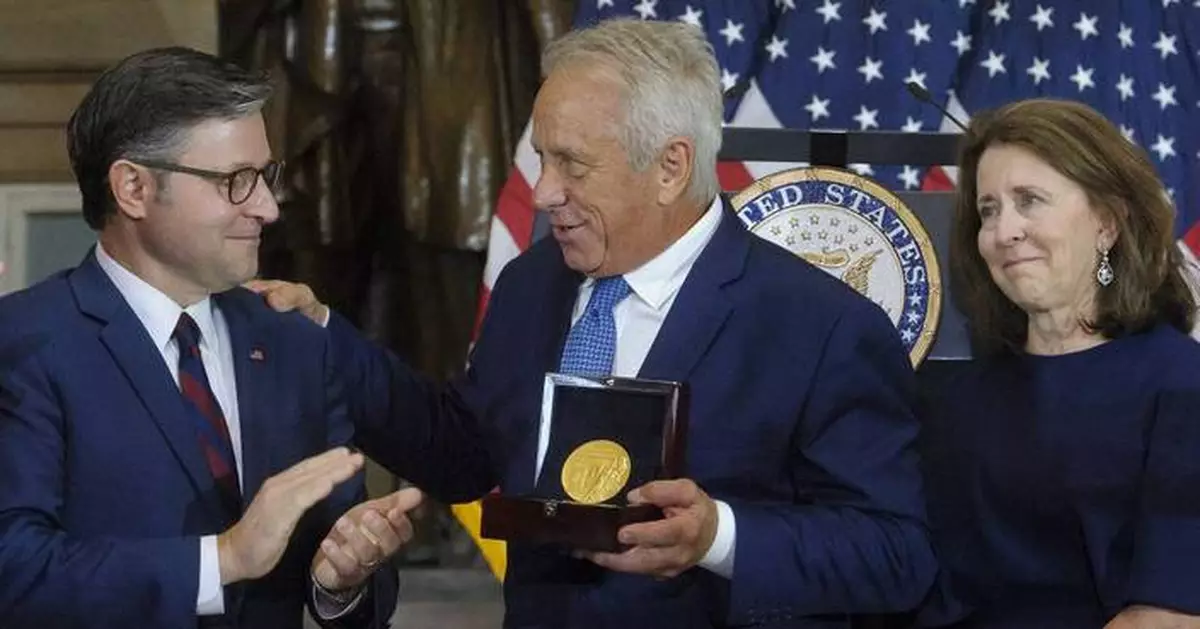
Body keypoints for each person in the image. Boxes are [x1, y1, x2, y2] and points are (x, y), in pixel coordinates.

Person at [255, 18, 937, 628]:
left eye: (571, 163)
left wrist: (718, 537)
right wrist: (325, 339)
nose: (545, 191)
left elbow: (896, 553)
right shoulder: (533, 284)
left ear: (671, 166)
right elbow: (466, 453)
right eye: (542, 159)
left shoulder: (821, 325)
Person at [0, 48, 419, 629]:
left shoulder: (295, 342)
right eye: (236, 182)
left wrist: (339, 581)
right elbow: (15, 572)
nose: (268, 208)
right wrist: (222, 560)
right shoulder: (25, 345)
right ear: (133, 188)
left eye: (265, 177)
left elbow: (345, 586)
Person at [917, 98, 1200, 628]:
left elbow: (1169, 616)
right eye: (989, 210)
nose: (1005, 232)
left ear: (1107, 223)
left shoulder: (1184, 387)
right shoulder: (958, 399)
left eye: (1030, 200)